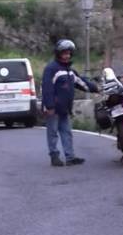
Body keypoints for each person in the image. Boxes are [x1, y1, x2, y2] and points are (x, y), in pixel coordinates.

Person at [41, 39, 99, 167]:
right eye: (64, 53)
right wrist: (49, 106)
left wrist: (96, 88)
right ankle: (54, 156)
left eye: (69, 53)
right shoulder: (51, 69)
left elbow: (81, 82)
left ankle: (70, 157)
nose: (67, 56)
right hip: (53, 108)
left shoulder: (70, 70)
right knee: (52, 132)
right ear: (58, 53)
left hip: (65, 108)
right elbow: (47, 88)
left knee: (67, 132)